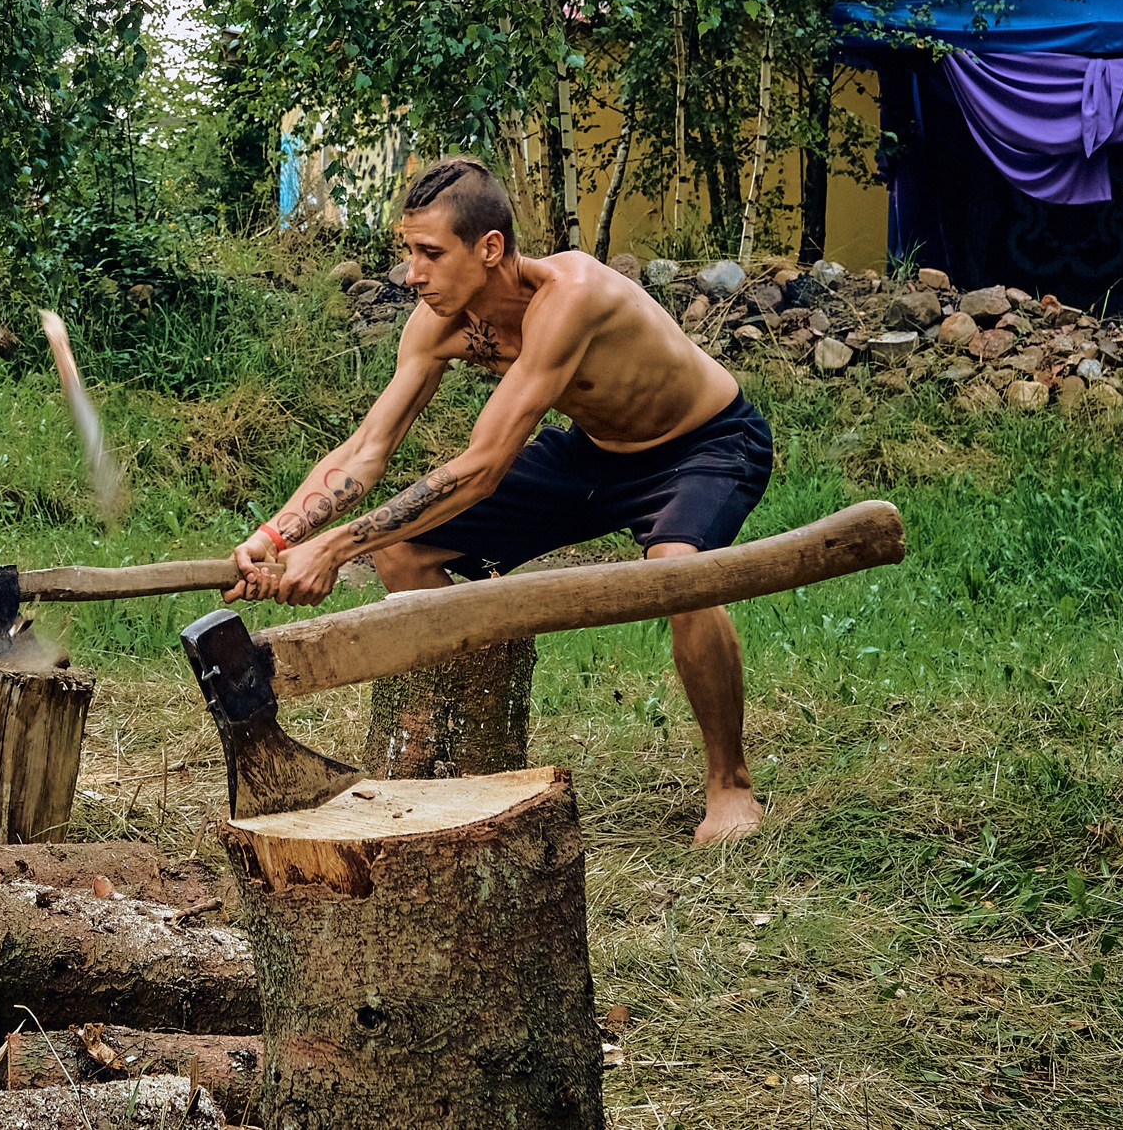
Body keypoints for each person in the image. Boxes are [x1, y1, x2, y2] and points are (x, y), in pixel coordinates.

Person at [228, 156, 774, 844]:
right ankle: (466, 743)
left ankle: (731, 784)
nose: (411, 273)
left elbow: (484, 467)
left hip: (704, 443)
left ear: (489, 247)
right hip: (594, 452)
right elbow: (367, 448)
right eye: (408, 252)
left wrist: (334, 548)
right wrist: (276, 538)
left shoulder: (571, 295)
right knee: (403, 549)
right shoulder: (436, 323)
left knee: (679, 570)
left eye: (430, 253)